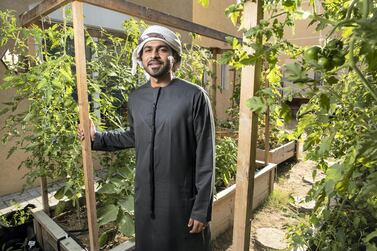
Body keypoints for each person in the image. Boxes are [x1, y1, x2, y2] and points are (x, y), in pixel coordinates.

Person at [79, 25, 215, 251]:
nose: (154, 55)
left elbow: (206, 155)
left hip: (181, 203)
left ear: (174, 57)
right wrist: (96, 138)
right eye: (147, 50)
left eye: (162, 50)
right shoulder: (137, 97)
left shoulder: (194, 96)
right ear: (141, 58)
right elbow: (134, 135)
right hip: (146, 202)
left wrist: (201, 208)